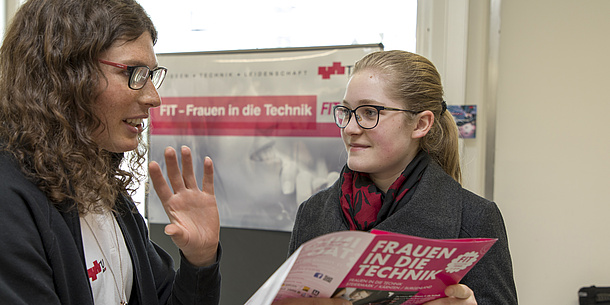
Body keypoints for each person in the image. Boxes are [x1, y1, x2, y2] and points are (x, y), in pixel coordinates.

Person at [0, 0, 220, 304]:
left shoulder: (102, 189)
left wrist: (200, 259)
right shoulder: (10, 198)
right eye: (134, 73)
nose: (153, 98)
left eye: (151, 75)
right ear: (64, 76)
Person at [282, 50, 518, 305]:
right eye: (347, 111)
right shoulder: (313, 212)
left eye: (370, 112)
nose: (350, 128)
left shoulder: (474, 218)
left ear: (420, 124)